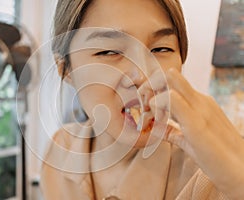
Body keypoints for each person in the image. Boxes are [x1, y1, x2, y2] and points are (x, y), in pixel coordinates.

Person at [40, 0, 244, 199]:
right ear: (65, 69)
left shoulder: (209, 177)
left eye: (161, 49)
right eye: (109, 52)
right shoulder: (60, 149)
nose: (143, 74)